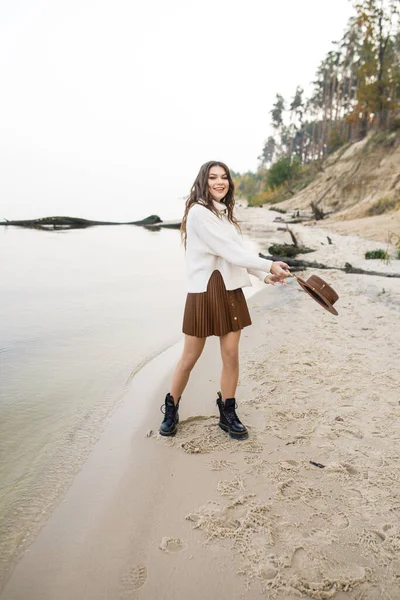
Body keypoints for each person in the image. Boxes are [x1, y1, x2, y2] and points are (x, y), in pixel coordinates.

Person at [159, 161, 290, 439]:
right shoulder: (198, 213)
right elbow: (229, 252)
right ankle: (172, 408)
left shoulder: (225, 216)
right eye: (213, 178)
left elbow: (236, 253)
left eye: (224, 177)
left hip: (230, 290)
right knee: (190, 357)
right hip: (204, 292)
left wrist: (264, 275)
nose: (220, 182)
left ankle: (227, 412)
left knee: (231, 355)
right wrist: (268, 266)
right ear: (202, 183)